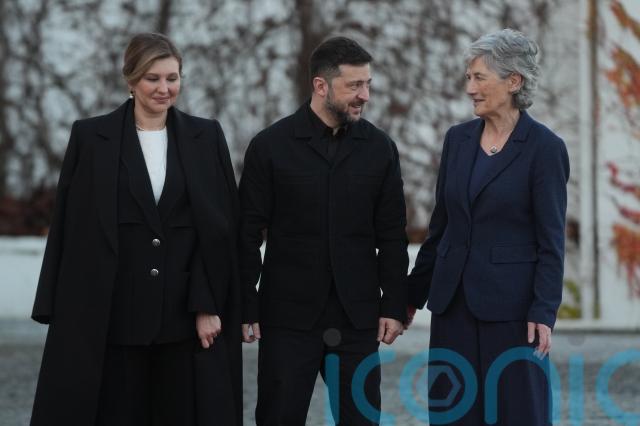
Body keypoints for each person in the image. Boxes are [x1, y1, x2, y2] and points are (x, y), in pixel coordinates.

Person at [30, 32, 242, 426]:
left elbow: (218, 229)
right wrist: (53, 304)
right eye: (152, 78)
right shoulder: (90, 137)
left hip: (184, 320)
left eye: (172, 78)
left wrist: (208, 304)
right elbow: (70, 226)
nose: (164, 88)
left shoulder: (207, 136)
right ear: (130, 79)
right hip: (110, 317)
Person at [239, 36, 408, 425]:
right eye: (354, 85)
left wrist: (394, 304)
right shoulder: (270, 146)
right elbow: (246, 234)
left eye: (367, 84)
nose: (365, 95)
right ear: (321, 85)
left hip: (357, 319)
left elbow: (392, 235)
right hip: (287, 319)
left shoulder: (380, 148)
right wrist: (246, 302)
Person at [406, 29, 569, 425]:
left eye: (479, 77)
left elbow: (551, 241)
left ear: (513, 81)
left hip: (513, 313)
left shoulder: (545, 148)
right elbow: (441, 228)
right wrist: (409, 297)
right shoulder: (457, 140)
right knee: (453, 412)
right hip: (452, 308)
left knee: (517, 413)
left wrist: (544, 310)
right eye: (469, 77)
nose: (470, 88)